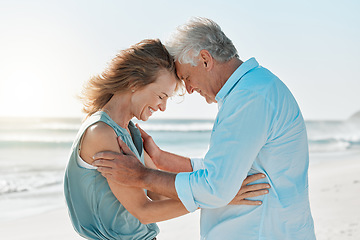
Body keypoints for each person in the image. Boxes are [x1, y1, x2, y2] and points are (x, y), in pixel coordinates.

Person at [93, 17, 316, 239]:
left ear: (205, 59)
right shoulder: (252, 90)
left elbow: (216, 188)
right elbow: (223, 168)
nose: (189, 89)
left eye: (186, 77)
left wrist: (141, 175)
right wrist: (161, 159)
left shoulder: (250, 98)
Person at [64, 39, 271, 240]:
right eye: (161, 96)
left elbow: (159, 196)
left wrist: (216, 191)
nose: (163, 107)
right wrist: (216, 198)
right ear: (134, 83)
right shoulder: (101, 132)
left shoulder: (131, 132)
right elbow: (144, 211)